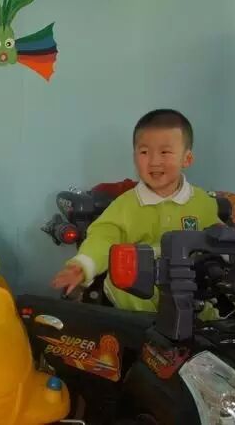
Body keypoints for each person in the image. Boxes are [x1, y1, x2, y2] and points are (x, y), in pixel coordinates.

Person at [52, 109, 220, 315]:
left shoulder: (203, 202)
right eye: (144, 152)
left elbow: (218, 238)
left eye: (165, 152)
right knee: (121, 281)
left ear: (187, 158)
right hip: (139, 284)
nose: (154, 161)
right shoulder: (125, 205)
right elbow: (103, 238)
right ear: (134, 157)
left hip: (188, 282)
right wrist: (82, 266)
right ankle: (149, 329)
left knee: (213, 299)